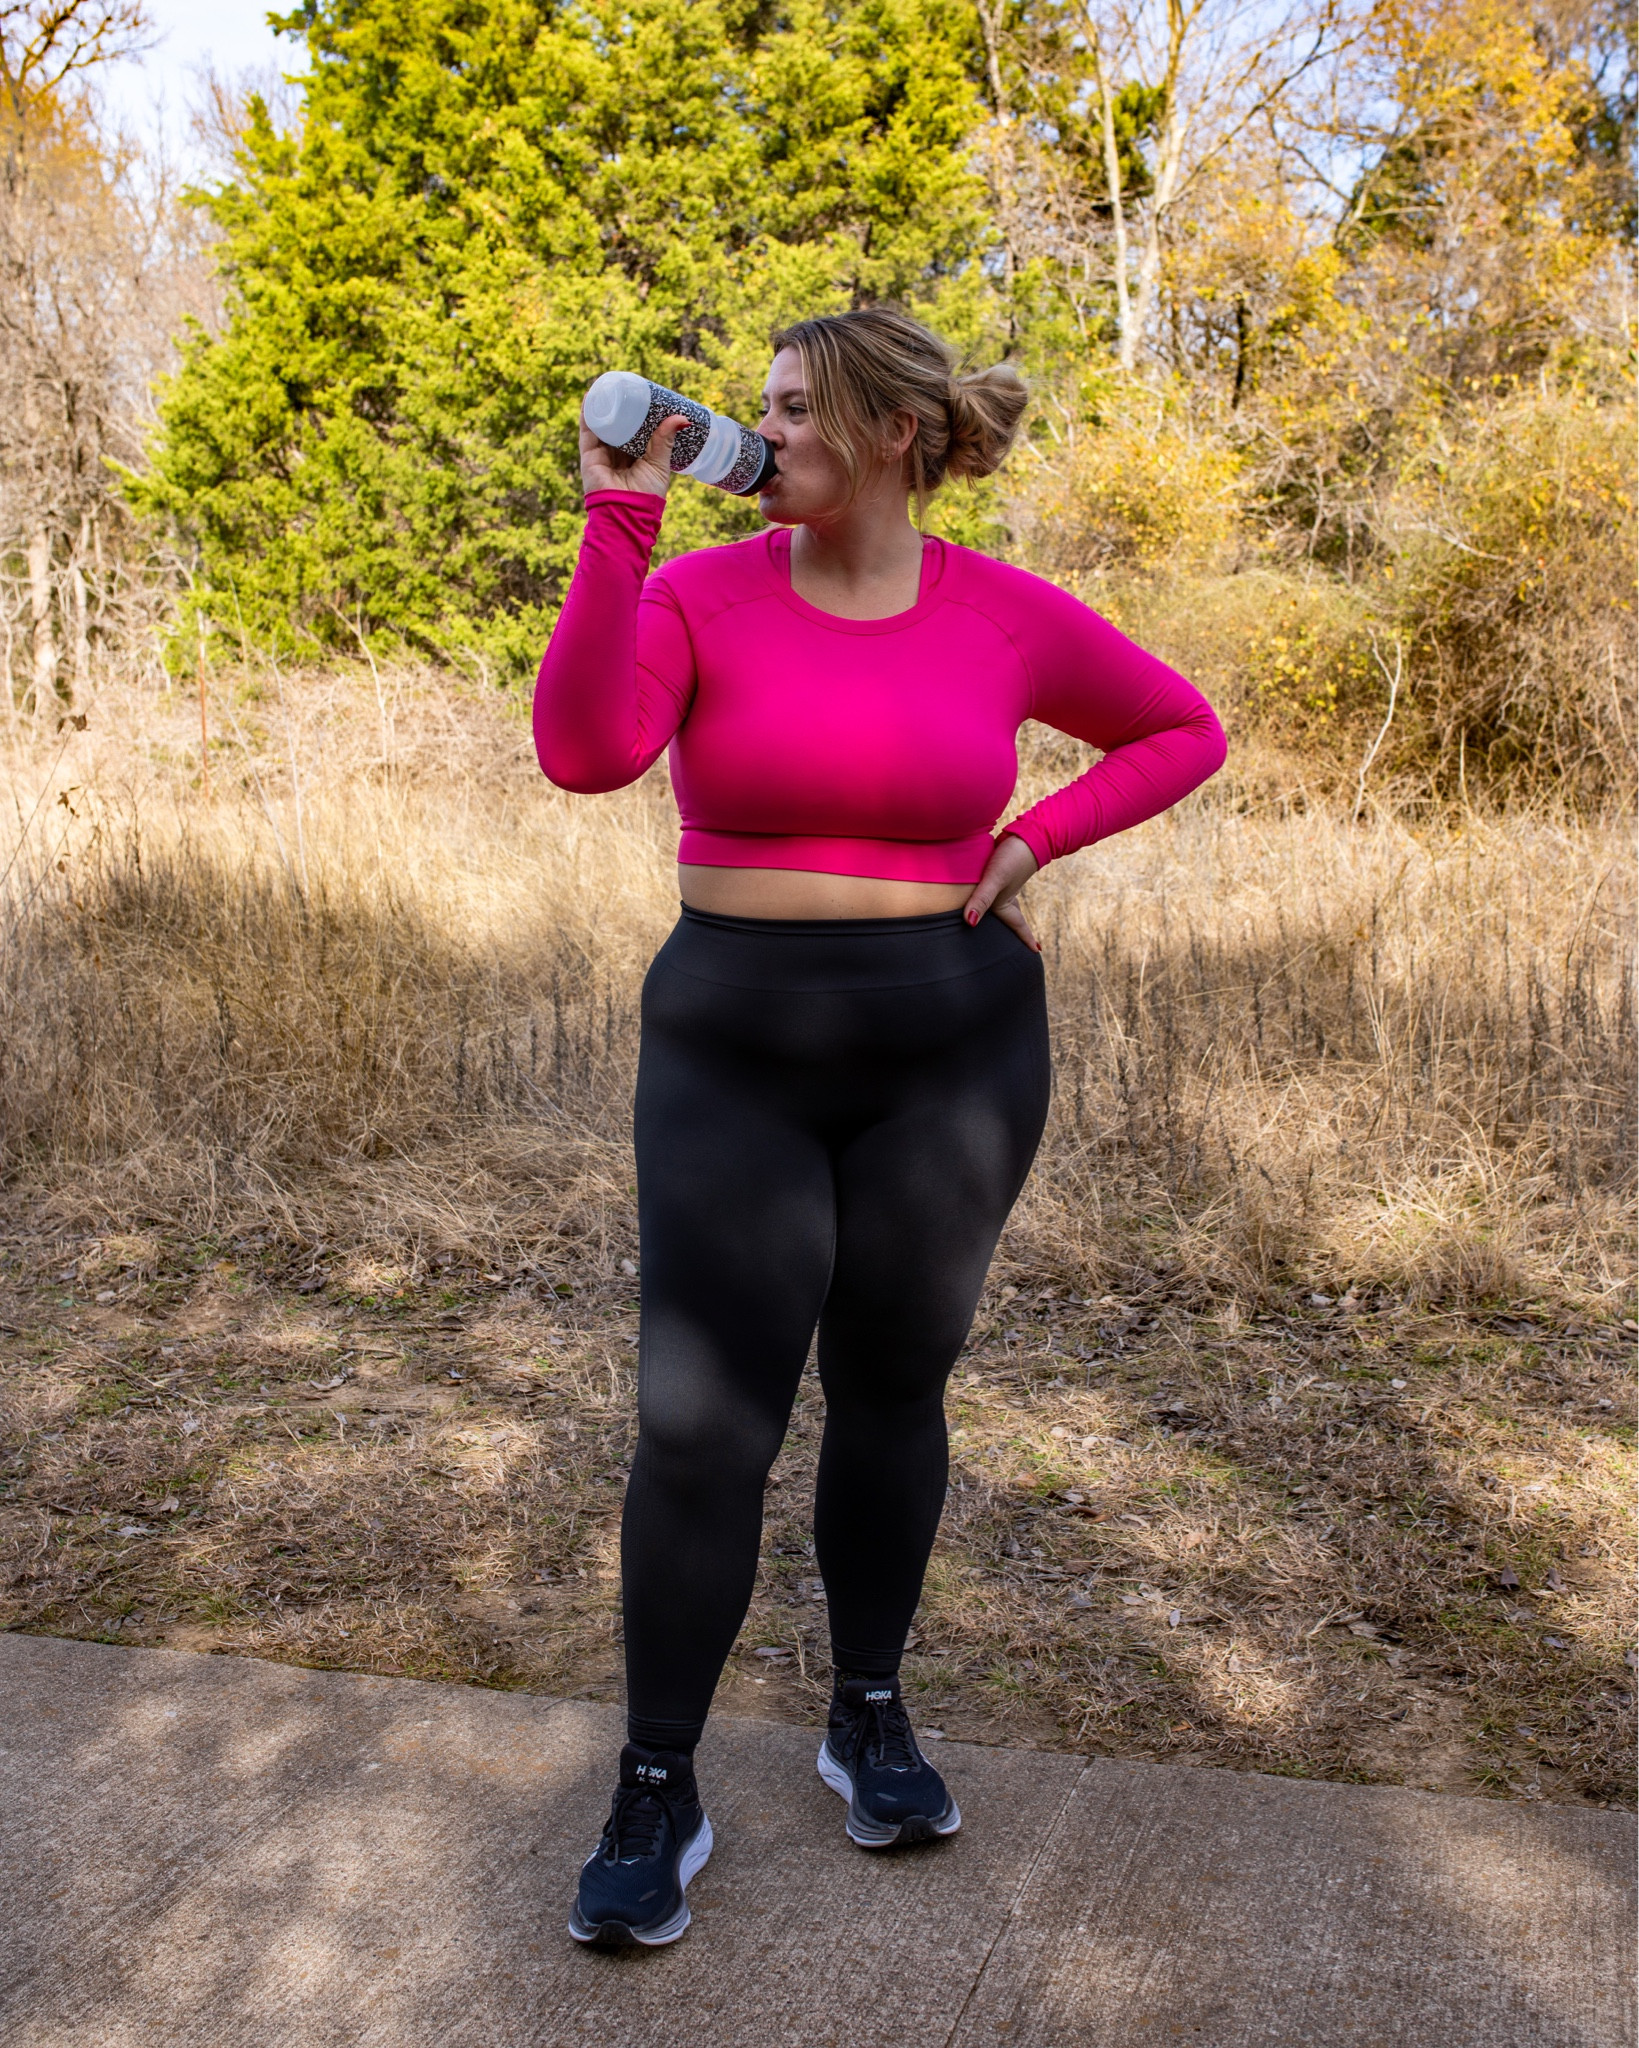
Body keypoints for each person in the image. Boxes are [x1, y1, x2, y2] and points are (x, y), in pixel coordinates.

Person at [534, 307, 1226, 1948]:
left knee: (896, 1386)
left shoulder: (1000, 616)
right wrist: (616, 517)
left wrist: (1037, 836)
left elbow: (1182, 727)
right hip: (731, 1049)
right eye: (757, 410)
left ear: (894, 433)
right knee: (700, 1426)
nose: (756, 437)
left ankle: (867, 1709)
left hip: (952, 1051)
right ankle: (656, 1781)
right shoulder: (695, 588)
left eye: (793, 414)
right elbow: (583, 751)